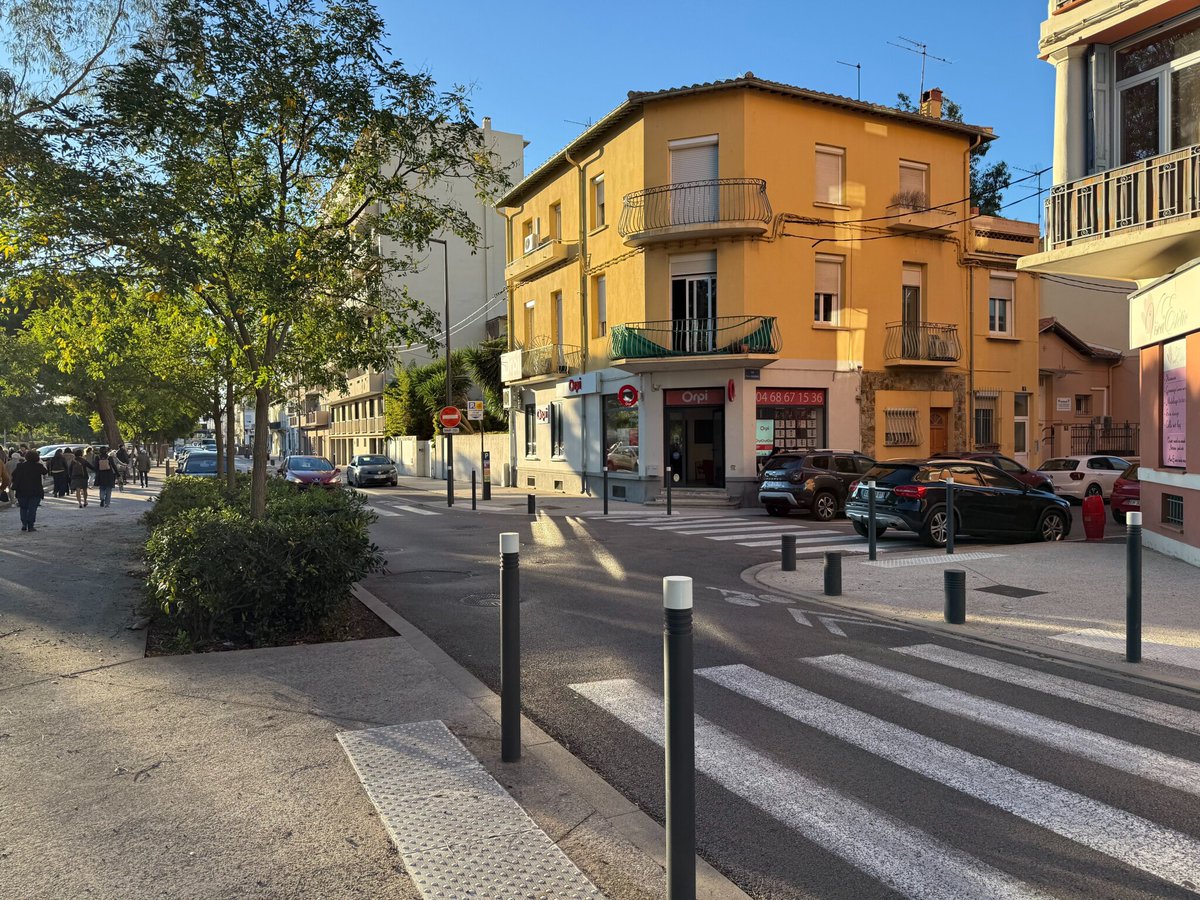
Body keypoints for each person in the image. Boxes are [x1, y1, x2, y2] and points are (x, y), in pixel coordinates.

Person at [12, 450, 47, 532]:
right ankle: (30, 525)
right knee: (32, 508)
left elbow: (13, 474)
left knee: (23, 508)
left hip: (22, 490)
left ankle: (24, 524)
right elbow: (45, 472)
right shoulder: (38, 466)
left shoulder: (20, 466)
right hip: (35, 490)